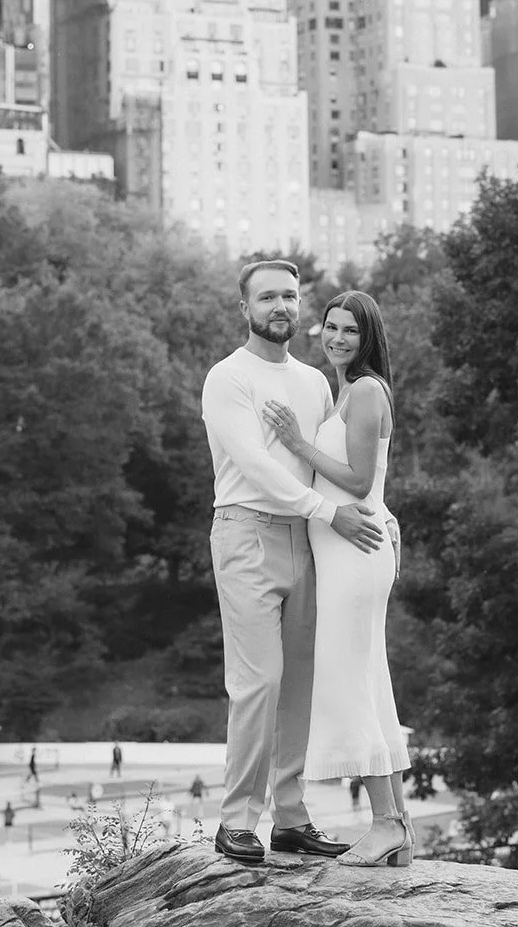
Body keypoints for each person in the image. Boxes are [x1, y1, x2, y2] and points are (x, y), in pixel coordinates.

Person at [202, 257, 386, 866]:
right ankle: (237, 820)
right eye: (267, 297)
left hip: (307, 538)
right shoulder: (228, 377)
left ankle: (289, 817)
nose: (280, 306)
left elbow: (334, 463)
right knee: (259, 682)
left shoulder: (313, 383)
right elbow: (255, 465)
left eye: (289, 295)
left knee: (301, 683)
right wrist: (328, 513)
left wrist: (379, 512)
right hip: (247, 534)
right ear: (245, 308)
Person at [264, 291, 412, 868]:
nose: (338, 338)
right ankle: (398, 828)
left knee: (350, 684)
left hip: (355, 554)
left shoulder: (367, 390)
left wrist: (298, 444)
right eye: (331, 326)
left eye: (350, 330)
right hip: (345, 553)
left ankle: (384, 824)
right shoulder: (343, 391)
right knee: (370, 684)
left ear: (367, 336)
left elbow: (358, 481)